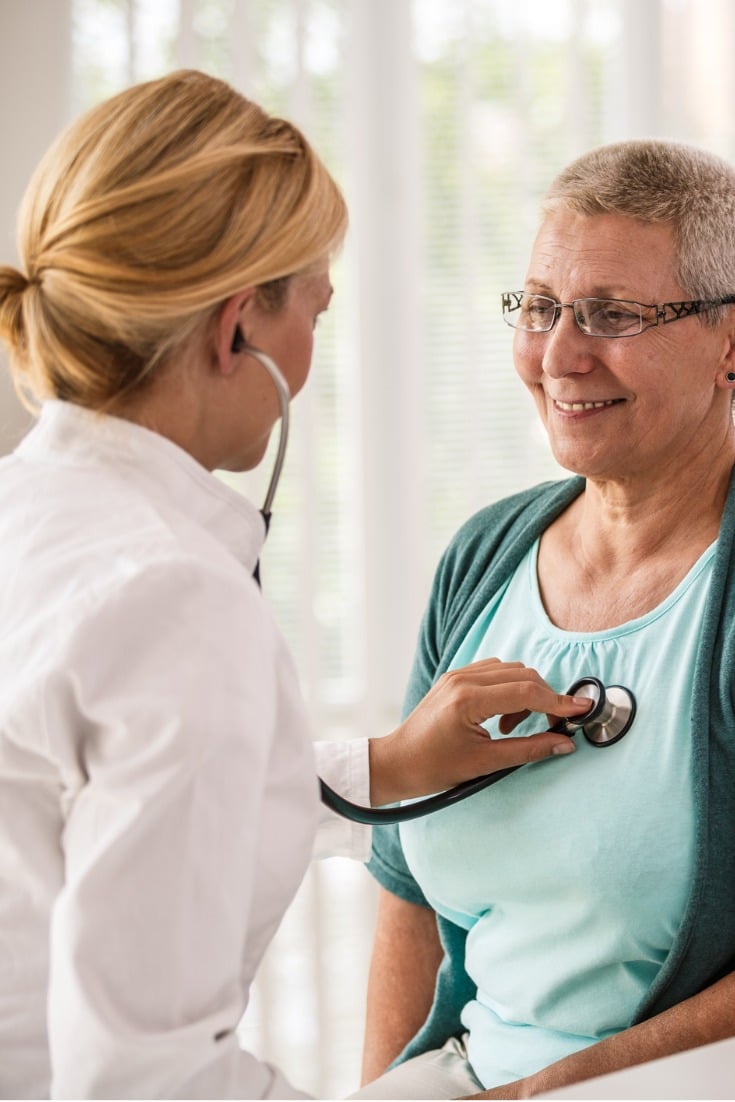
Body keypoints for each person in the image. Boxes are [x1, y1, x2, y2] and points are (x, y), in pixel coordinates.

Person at [0, 70, 591, 1100]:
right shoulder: (173, 597)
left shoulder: (34, 515)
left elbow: (84, 792)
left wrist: (389, 764)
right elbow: (147, 1081)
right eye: (314, 309)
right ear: (238, 331)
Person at [359, 137, 735, 1101]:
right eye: (536, 308)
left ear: (728, 342)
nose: (557, 355)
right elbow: (402, 886)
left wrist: (553, 1092)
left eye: (611, 314)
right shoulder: (485, 555)